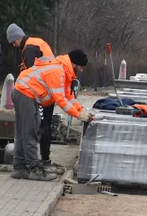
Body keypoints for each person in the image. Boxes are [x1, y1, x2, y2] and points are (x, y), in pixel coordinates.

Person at [12, 49, 93, 180]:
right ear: (74, 64)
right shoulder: (57, 71)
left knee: (23, 132)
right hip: (25, 94)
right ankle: (34, 169)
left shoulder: (64, 71)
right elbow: (60, 100)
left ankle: (19, 168)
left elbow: (68, 96)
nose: (82, 70)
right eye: (81, 67)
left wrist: (81, 110)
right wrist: (78, 116)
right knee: (30, 132)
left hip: (24, 93)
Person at [6, 23, 59, 165]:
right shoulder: (36, 43)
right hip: (49, 89)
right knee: (44, 124)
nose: (13, 45)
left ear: (17, 38)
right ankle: (44, 158)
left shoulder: (29, 48)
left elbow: (33, 75)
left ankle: (38, 160)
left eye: (13, 42)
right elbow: (41, 63)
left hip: (41, 93)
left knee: (37, 126)